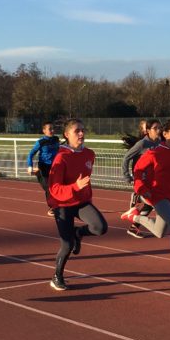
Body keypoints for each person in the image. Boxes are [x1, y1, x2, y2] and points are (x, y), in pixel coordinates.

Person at [124, 119, 170, 282]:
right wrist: (140, 187)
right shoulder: (155, 152)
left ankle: (134, 217)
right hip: (155, 194)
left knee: (159, 232)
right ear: (165, 134)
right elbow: (138, 169)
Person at [47, 118, 107, 291]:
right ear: (66, 135)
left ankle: (78, 232)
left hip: (81, 202)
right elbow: (54, 189)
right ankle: (57, 276)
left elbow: (85, 182)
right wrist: (75, 187)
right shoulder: (60, 158)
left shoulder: (89, 154)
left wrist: (86, 195)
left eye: (83, 130)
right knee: (67, 245)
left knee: (100, 227)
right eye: (77, 131)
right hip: (62, 204)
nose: (81, 134)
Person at [120, 118, 162, 238]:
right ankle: (136, 199)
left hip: (153, 179)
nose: (158, 130)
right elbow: (126, 158)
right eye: (155, 128)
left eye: (160, 128)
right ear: (148, 131)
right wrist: (126, 175)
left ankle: (134, 227)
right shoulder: (142, 144)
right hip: (141, 178)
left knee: (149, 205)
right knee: (152, 202)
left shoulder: (159, 143)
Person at [26, 121, 61, 215]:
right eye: (50, 129)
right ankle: (52, 208)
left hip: (55, 166)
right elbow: (31, 154)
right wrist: (30, 165)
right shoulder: (40, 142)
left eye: (53, 128)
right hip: (44, 166)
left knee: (58, 185)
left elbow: (59, 150)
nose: (52, 130)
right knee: (48, 188)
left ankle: (60, 205)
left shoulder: (56, 139)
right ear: (44, 131)